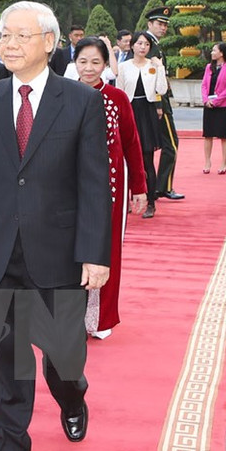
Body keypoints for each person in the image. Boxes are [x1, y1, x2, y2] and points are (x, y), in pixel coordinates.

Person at [0, 1, 111, 451]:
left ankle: (72, 396)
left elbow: (93, 186)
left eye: (21, 36)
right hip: (1, 247)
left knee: (63, 353)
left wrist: (95, 253)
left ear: (49, 41)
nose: (10, 44)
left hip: (60, 250)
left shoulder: (79, 102)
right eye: (4, 35)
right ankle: (8, 449)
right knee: (6, 354)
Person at [73, 37, 147, 339]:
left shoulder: (117, 98)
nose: (89, 68)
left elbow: (131, 142)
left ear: (106, 65)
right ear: (74, 62)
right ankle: (68, 317)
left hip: (111, 185)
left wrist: (139, 186)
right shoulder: (61, 94)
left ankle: (101, 319)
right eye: (83, 61)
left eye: (96, 62)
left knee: (108, 251)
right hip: (68, 186)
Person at [117, 31, 168, 218]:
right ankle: (129, 199)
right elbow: (119, 91)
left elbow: (161, 89)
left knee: (147, 160)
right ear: (132, 46)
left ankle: (151, 202)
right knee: (126, 159)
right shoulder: (123, 67)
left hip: (147, 112)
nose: (142, 47)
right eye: (139, 43)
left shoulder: (152, 66)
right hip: (128, 111)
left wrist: (160, 68)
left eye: (146, 44)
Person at [145, 8, 183, 200]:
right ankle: (163, 186)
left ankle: (158, 185)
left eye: (165, 24)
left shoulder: (155, 45)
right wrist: (159, 103)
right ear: (149, 24)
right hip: (158, 103)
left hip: (158, 101)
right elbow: (153, 78)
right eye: (159, 24)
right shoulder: (151, 46)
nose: (163, 28)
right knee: (171, 144)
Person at [200, 42, 226, 174]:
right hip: (208, 105)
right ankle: (207, 161)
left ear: (221, 53)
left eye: (214, 50)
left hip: (223, 106)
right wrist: (206, 100)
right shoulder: (209, 67)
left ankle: (223, 162)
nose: (212, 53)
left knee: (224, 135)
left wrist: (216, 101)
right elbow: (204, 85)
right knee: (208, 135)